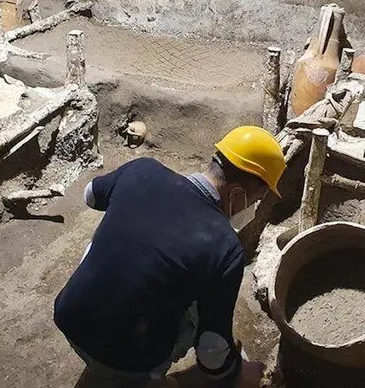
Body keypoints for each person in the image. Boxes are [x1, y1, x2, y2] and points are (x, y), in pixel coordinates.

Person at [54, 126, 286, 388]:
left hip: (70, 315)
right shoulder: (223, 245)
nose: (252, 208)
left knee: (111, 243)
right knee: (201, 304)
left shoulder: (143, 170)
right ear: (236, 195)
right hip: (123, 361)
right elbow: (212, 348)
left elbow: (91, 194)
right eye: (254, 200)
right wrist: (238, 374)